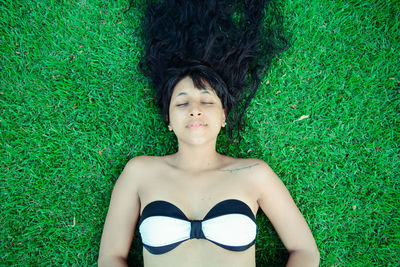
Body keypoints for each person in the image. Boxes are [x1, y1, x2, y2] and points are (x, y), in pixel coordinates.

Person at [98, 0, 320, 266]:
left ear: (223, 116)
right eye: (181, 102)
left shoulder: (255, 174)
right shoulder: (139, 172)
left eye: (207, 101)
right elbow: (111, 257)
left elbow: (305, 251)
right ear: (168, 119)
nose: (194, 110)